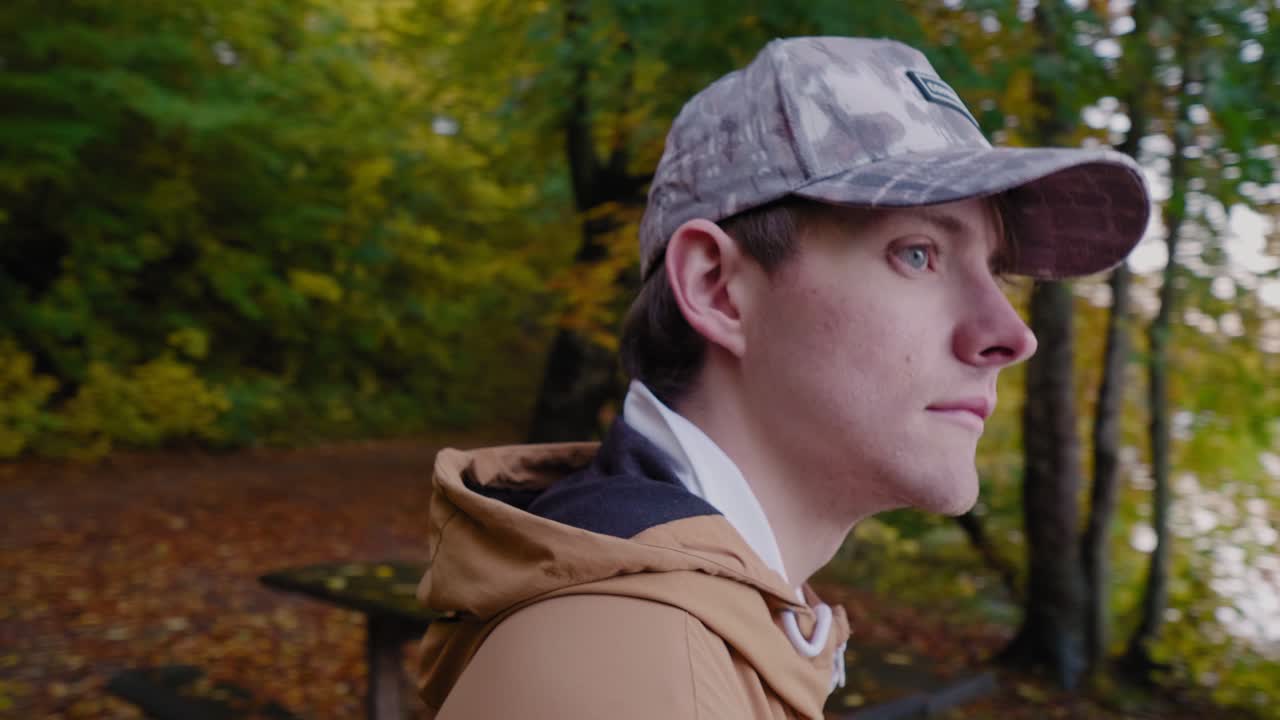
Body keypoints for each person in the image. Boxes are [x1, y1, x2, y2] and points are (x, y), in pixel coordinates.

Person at [414, 36, 1149, 719]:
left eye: (996, 273)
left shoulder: (707, 621)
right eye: (918, 254)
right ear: (717, 288)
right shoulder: (637, 672)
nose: (1011, 335)